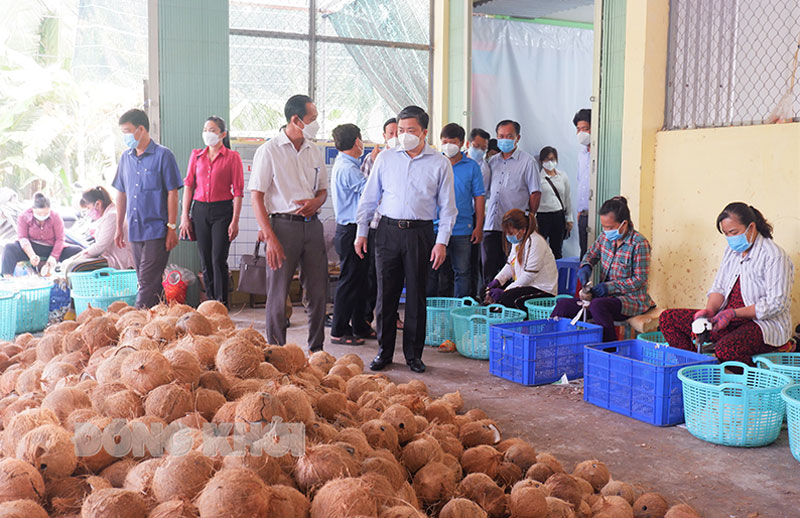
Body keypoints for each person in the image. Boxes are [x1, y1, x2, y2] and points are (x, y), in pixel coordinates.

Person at [355, 105, 456, 373]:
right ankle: (384, 352)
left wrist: (442, 241)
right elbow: (369, 197)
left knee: (416, 296)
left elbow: (448, 208)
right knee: (384, 296)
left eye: (411, 130)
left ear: (424, 132)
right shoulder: (385, 159)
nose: (404, 135)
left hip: (420, 234)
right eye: (401, 130)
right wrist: (361, 232)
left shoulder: (439, 163)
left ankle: (414, 355)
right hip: (387, 231)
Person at [659, 203, 795, 363]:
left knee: (726, 350)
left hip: (761, 324)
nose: (730, 239)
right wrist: (710, 311)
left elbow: (777, 303)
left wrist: (734, 313)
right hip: (727, 321)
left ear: (751, 227)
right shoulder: (732, 251)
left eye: (734, 232)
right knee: (668, 319)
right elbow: (720, 287)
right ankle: (695, 368)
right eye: (726, 234)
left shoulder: (774, 256)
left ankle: (747, 381)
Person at [249, 94, 328, 353]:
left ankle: (316, 351)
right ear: (296, 120)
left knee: (317, 292)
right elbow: (257, 196)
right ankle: (276, 352)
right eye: (312, 119)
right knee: (278, 292)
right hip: (283, 228)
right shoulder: (269, 151)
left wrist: (316, 203)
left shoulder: (314, 151)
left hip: (312, 226)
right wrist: (270, 238)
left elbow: (323, 191)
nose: (316, 124)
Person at [551, 197, 654, 342]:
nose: (606, 231)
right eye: (604, 227)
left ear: (624, 224)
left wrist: (609, 287)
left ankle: (608, 351)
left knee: (598, 305)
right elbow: (590, 255)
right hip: (604, 297)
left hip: (631, 300)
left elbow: (639, 280)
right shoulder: (604, 238)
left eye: (610, 227)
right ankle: (548, 343)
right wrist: (586, 266)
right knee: (563, 305)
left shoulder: (639, 244)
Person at [113, 109, 182, 308]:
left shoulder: (163, 155)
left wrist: (171, 227)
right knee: (150, 283)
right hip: (135, 230)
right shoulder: (126, 158)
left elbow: (173, 193)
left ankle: (136, 324)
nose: (125, 136)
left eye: (127, 131)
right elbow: (121, 193)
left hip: (157, 231)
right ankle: (159, 325)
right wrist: (119, 227)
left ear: (141, 129)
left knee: (146, 283)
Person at [180, 116, 244, 307]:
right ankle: (209, 303)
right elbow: (189, 185)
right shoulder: (196, 155)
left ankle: (221, 303)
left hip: (223, 211)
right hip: (199, 210)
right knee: (205, 260)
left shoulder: (233, 157)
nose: (208, 133)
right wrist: (184, 216)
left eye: (213, 130)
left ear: (223, 134)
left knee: (218, 259)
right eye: (205, 129)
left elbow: (239, 192)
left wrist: (235, 221)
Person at [428, 123, 485, 298]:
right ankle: (433, 311)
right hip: (435, 228)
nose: (447, 145)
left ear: (461, 143)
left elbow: (479, 197)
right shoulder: (434, 162)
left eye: (451, 142)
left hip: (462, 228)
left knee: (463, 272)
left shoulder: (472, 166)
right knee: (434, 272)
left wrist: (478, 226)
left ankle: (460, 310)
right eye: (444, 141)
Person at [482, 120, 541, 284]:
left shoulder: (527, 162)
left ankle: (506, 303)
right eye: (501, 136)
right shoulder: (492, 161)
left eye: (509, 136)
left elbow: (535, 192)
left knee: (510, 267)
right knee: (489, 267)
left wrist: (530, 216)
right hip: (492, 224)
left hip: (513, 227)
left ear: (518, 138)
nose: (504, 139)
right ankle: (489, 300)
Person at [330, 123, 373, 345]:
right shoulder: (348, 169)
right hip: (350, 231)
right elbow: (371, 191)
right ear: (357, 141)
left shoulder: (349, 164)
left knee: (360, 280)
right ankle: (339, 329)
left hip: (354, 229)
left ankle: (359, 326)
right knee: (349, 280)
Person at [361, 118, 399, 327]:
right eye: (390, 133)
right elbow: (367, 193)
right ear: (384, 136)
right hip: (376, 224)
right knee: (372, 274)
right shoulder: (372, 159)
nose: (394, 137)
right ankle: (368, 317)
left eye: (397, 133)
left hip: (397, 225)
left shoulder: (405, 159)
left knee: (395, 276)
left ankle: (394, 317)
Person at [486, 209, 558, 309]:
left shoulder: (535, 242)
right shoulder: (517, 242)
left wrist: (505, 291)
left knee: (507, 297)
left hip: (543, 290)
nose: (508, 236)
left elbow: (529, 275)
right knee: (486, 291)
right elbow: (509, 265)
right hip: (526, 286)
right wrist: (497, 281)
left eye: (511, 232)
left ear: (523, 230)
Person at [1, 192, 82, 276]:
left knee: (77, 251)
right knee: (9, 248)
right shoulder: (24, 216)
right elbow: (23, 238)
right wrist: (31, 255)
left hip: (51, 247)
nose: (42, 216)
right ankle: (8, 278)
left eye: (46, 213)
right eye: (39, 214)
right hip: (31, 247)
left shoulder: (56, 216)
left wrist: (54, 257)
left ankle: (74, 277)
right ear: (33, 209)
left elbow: (60, 239)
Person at [68, 187, 133, 269]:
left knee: (75, 267)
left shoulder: (112, 216)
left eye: (88, 208)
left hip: (119, 260)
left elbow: (100, 246)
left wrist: (76, 259)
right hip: (110, 257)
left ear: (98, 204)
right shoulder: (108, 215)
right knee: (73, 264)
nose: (88, 212)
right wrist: (75, 257)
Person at [536, 146, 573, 259]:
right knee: (539, 250)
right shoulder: (537, 177)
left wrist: (569, 218)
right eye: (546, 159)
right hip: (542, 217)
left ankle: (556, 275)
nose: (550, 162)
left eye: (552, 159)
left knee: (557, 250)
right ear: (541, 161)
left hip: (558, 215)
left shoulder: (562, 176)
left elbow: (567, 197)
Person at [573, 109, 591, 259]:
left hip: (601, 215)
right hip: (584, 215)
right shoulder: (582, 154)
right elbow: (581, 182)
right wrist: (579, 210)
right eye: (578, 129)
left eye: (585, 129)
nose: (581, 133)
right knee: (584, 256)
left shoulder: (603, 152)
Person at [466, 128, 491, 192]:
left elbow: (480, 195)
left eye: (483, 148)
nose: (479, 150)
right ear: (468, 144)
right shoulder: (457, 158)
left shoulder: (484, 170)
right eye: (476, 146)